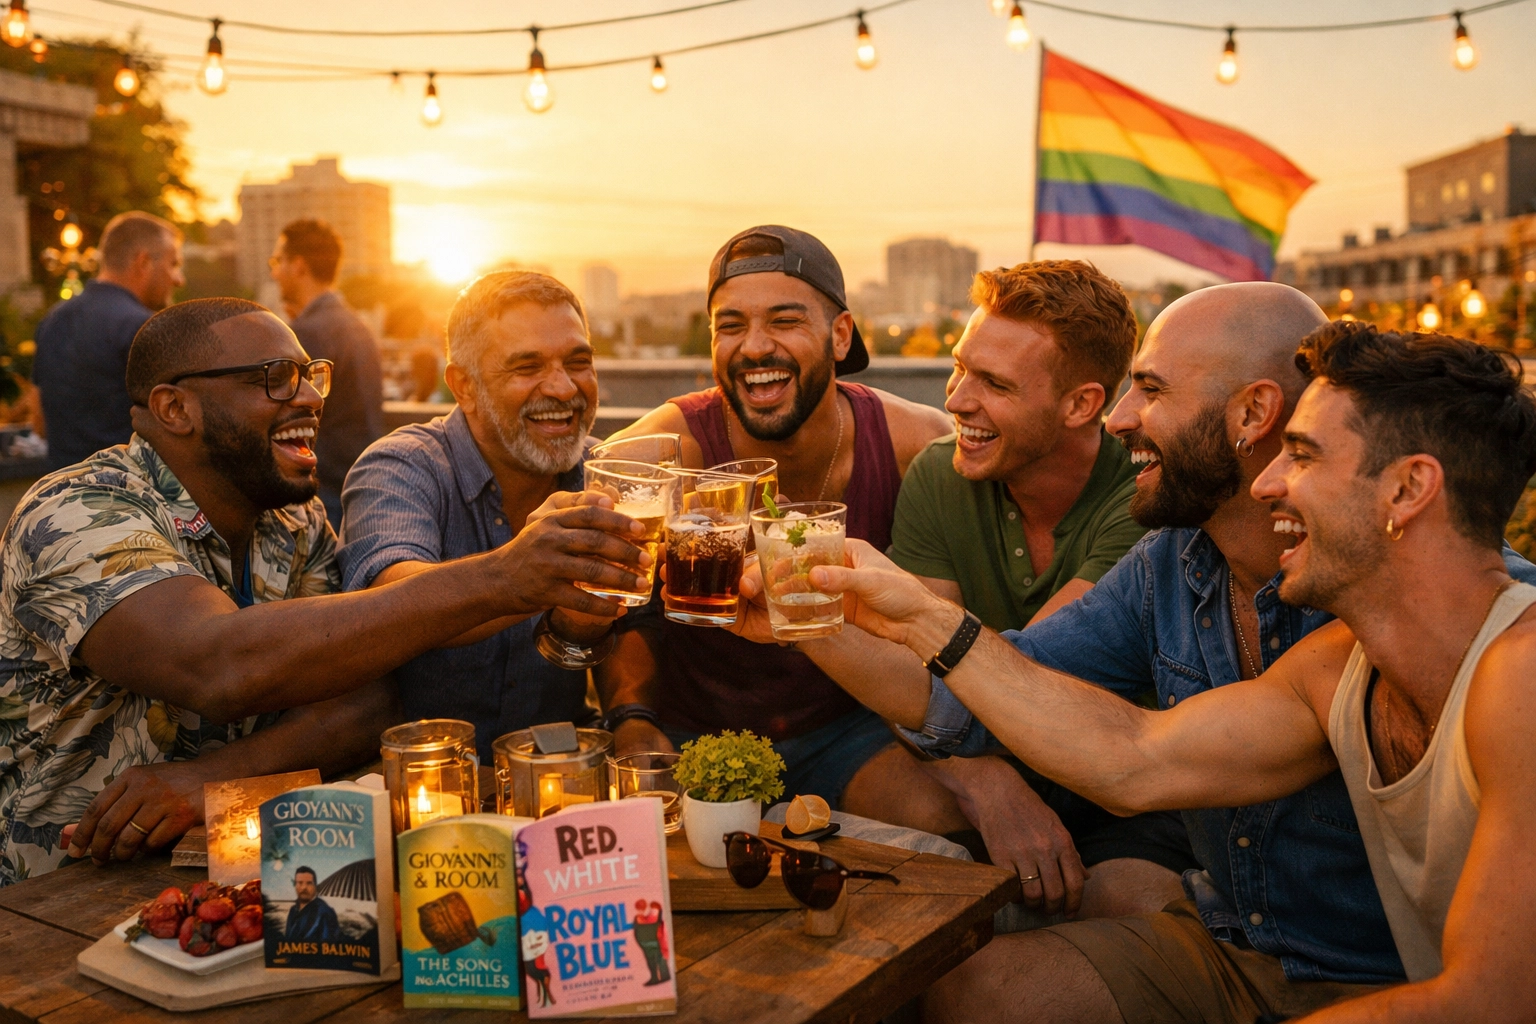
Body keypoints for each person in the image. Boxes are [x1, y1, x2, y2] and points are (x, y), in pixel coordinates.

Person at [798, 321, 1536, 1023]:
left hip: (1400, 986)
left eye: (1304, 456)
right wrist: (907, 618)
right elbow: (1134, 757)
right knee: (973, 990)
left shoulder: (1521, 671)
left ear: (1408, 490)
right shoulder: (1335, 663)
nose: (1271, 482)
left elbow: (1488, 1005)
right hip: (1248, 952)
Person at [0, 297, 649, 885]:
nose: (309, 398)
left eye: (313, 375)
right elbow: (216, 662)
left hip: (242, 871)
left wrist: (212, 780)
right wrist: (508, 576)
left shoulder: (293, 519)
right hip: (57, 887)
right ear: (176, 408)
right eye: (276, 378)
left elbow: (365, 704)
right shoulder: (77, 511)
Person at [861, 260, 1194, 920]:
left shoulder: (1142, 500)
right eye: (960, 367)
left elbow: (1023, 678)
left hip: (1121, 796)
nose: (955, 400)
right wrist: (981, 781)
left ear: (1082, 405)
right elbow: (919, 676)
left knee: (1119, 905)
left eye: (994, 383)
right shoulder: (941, 473)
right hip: (986, 761)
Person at [599, 225, 950, 810]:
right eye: (730, 326)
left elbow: (945, 634)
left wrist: (978, 773)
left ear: (840, 336)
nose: (755, 347)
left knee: (940, 818)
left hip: (852, 732)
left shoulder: (914, 443)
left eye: (784, 321)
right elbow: (599, 581)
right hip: (691, 739)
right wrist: (629, 717)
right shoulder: (667, 446)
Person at [339, 271, 619, 760]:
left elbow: (633, 633)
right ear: (464, 387)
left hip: (559, 778)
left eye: (579, 362)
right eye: (527, 367)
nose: (562, 387)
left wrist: (634, 718)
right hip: (420, 784)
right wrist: (523, 574)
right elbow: (386, 603)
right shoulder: (402, 465)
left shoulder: (608, 475)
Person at [32, 211, 184, 469]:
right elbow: (179, 426)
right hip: (130, 497)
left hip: (61, 496)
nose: (179, 279)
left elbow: (40, 422)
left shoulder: (53, 320)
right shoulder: (143, 327)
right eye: (173, 264)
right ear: (144, 262)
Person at [269, 218, 385, 525]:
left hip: (326, 489)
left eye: (278, 261)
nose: (274, 272)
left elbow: (283, 413)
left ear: (299, 266)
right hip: (358, 481)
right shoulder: (354, 324)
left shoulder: (307, 332)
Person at [283, 866, 341, 944]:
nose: (304, 887)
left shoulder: (325, 912)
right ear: (295, 885)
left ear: (315, 887)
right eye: (300, 883)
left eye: (309, 883)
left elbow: (327, 948)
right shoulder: (293, 910)